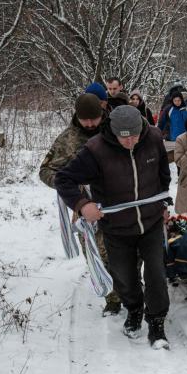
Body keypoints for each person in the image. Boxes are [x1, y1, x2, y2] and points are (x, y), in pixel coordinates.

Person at [55, 105, 173, 350]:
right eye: (124, 137)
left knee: (156, 275)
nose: (130, 141)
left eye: (135, 136)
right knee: (124, 278)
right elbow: (63, 179)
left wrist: (163, 200)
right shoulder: (96, 149)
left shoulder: (152, 137)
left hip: (150, 222)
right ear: (114, 132)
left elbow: (163, 173)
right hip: (117, 228)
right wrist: (82, 204)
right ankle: (134, 309)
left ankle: (157, 322)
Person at [39, 93, 123, 316]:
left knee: (128, 250)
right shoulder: (68, 139)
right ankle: (112, 298)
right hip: (86, 207)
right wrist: (73, 190)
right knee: (97, 254)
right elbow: (46, 170)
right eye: (84, 119)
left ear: (101, 113)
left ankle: (133, 288)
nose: (89, 124)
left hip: (119, 202)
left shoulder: (114, 130)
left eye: (93, 119)